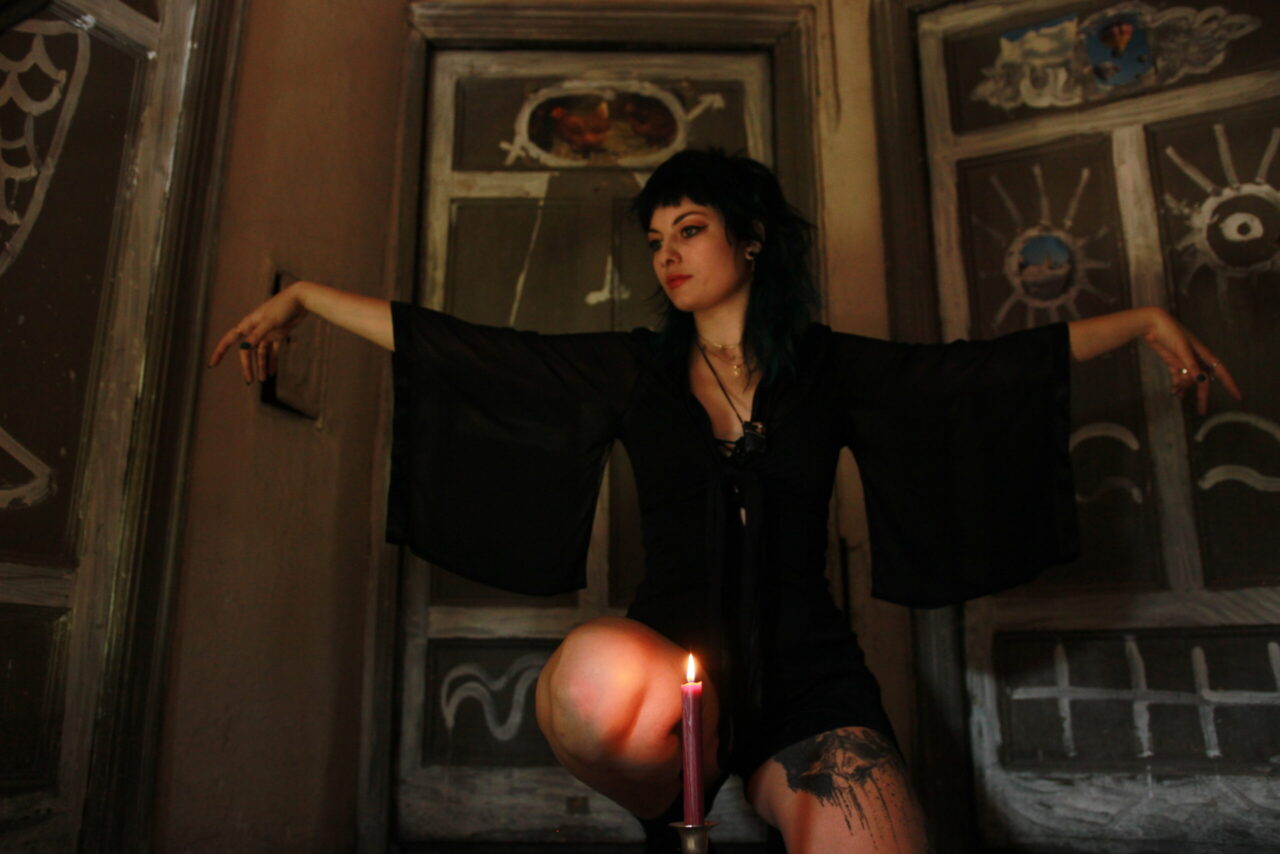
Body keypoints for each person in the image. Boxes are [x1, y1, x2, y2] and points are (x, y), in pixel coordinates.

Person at [209, 149, 1240, 852]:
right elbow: (478, 352)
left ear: (750, 241)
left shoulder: (827, 369)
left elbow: (971, 376)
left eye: (689, 228)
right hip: (668, 679)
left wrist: (1143, 320)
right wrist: (305, 300)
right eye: (655, 237)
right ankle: (687, 810)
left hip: (810, 680)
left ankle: (768, 796)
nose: (665, 253)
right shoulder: (633, 371)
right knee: (589, 673)